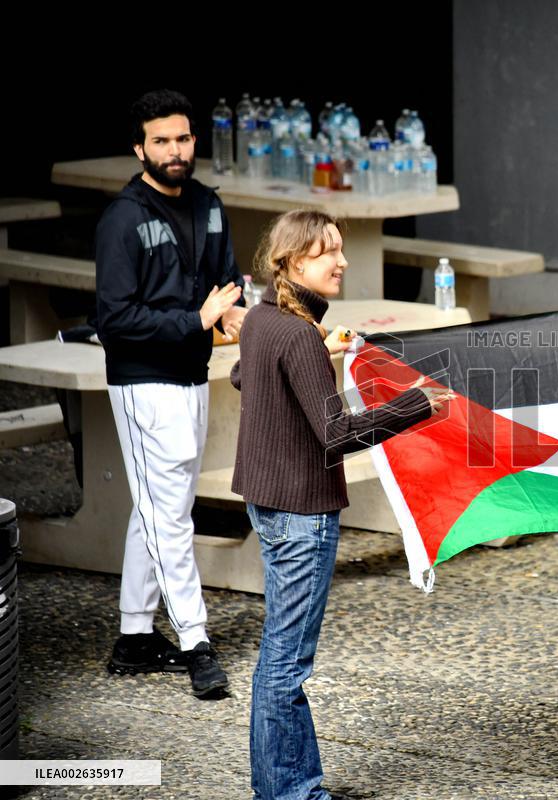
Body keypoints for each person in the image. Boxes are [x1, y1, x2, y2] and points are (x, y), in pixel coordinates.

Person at [230, 209, 453, 800]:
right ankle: (292, 793)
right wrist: (417, 404)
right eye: (329, 251)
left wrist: (314, 353)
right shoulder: (297, 334)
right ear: (296, 260)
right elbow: (335, 434)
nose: (342, 261)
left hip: (267, 503)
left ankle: (279, 787)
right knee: (287, 664)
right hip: (302, 512)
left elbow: (241, 374)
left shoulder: (262, 320)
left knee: (277, 656)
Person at [97, 89, 245, 698]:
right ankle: (195, 640)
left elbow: (227, 279)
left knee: (163, 511)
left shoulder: (209, 204)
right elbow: (114, 319)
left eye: (183, 138)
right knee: (167, 518)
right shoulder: (123, 219)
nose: (175, 150)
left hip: (192, 376)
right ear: (140, 148)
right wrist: (195, 318)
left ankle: (134, 636)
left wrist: (230, 312)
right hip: (142, 384)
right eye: (161, 140)